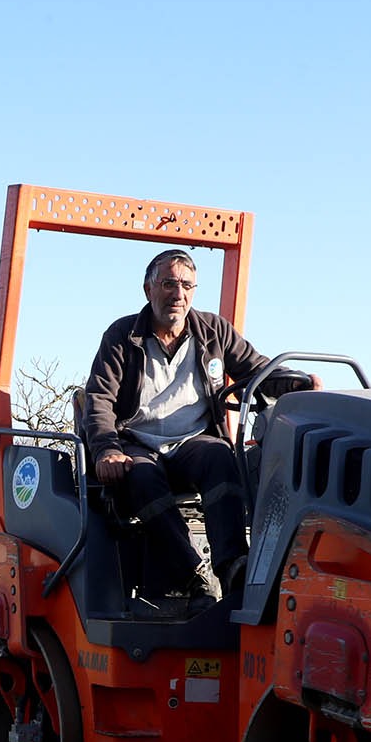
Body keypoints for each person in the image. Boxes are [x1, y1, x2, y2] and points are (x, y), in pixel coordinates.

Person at [80, 249, 316, 598]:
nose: (178, 294)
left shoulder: (214, 331)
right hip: (137, 443)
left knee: (221, 457)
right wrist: (106, 449)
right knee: (140, 475)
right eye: (169, 283)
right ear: (148, 289)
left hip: (192, 442)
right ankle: (192, 575)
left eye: (187, 285)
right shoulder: (122, 336)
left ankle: (234, 565)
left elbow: (256, 370)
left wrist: (296, 384)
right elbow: (99, 398)